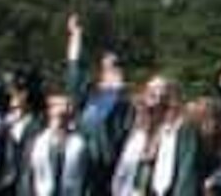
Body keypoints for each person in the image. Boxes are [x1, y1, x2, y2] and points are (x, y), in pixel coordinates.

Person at [65, 15, 133, 195]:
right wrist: (76, 36)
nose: (111, 69)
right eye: (107, 66)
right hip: (83, 166)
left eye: (116, 66)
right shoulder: (90, 94)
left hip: (108, 170)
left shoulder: (125, 101)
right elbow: (74, 69)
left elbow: (126, 136)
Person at [111, 75, 201, 196]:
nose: (155, 95)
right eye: (151, 90)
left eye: (160, 90)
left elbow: (186, 172)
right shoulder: (137, 126)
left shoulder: (181, 127)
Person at [19, 92, 91, 196]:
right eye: (56, 106)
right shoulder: (36, 142)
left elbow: (86, 178)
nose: (61, 110)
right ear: (49, 111)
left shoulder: (80, 144)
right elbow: (26, 177)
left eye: (65, 106)